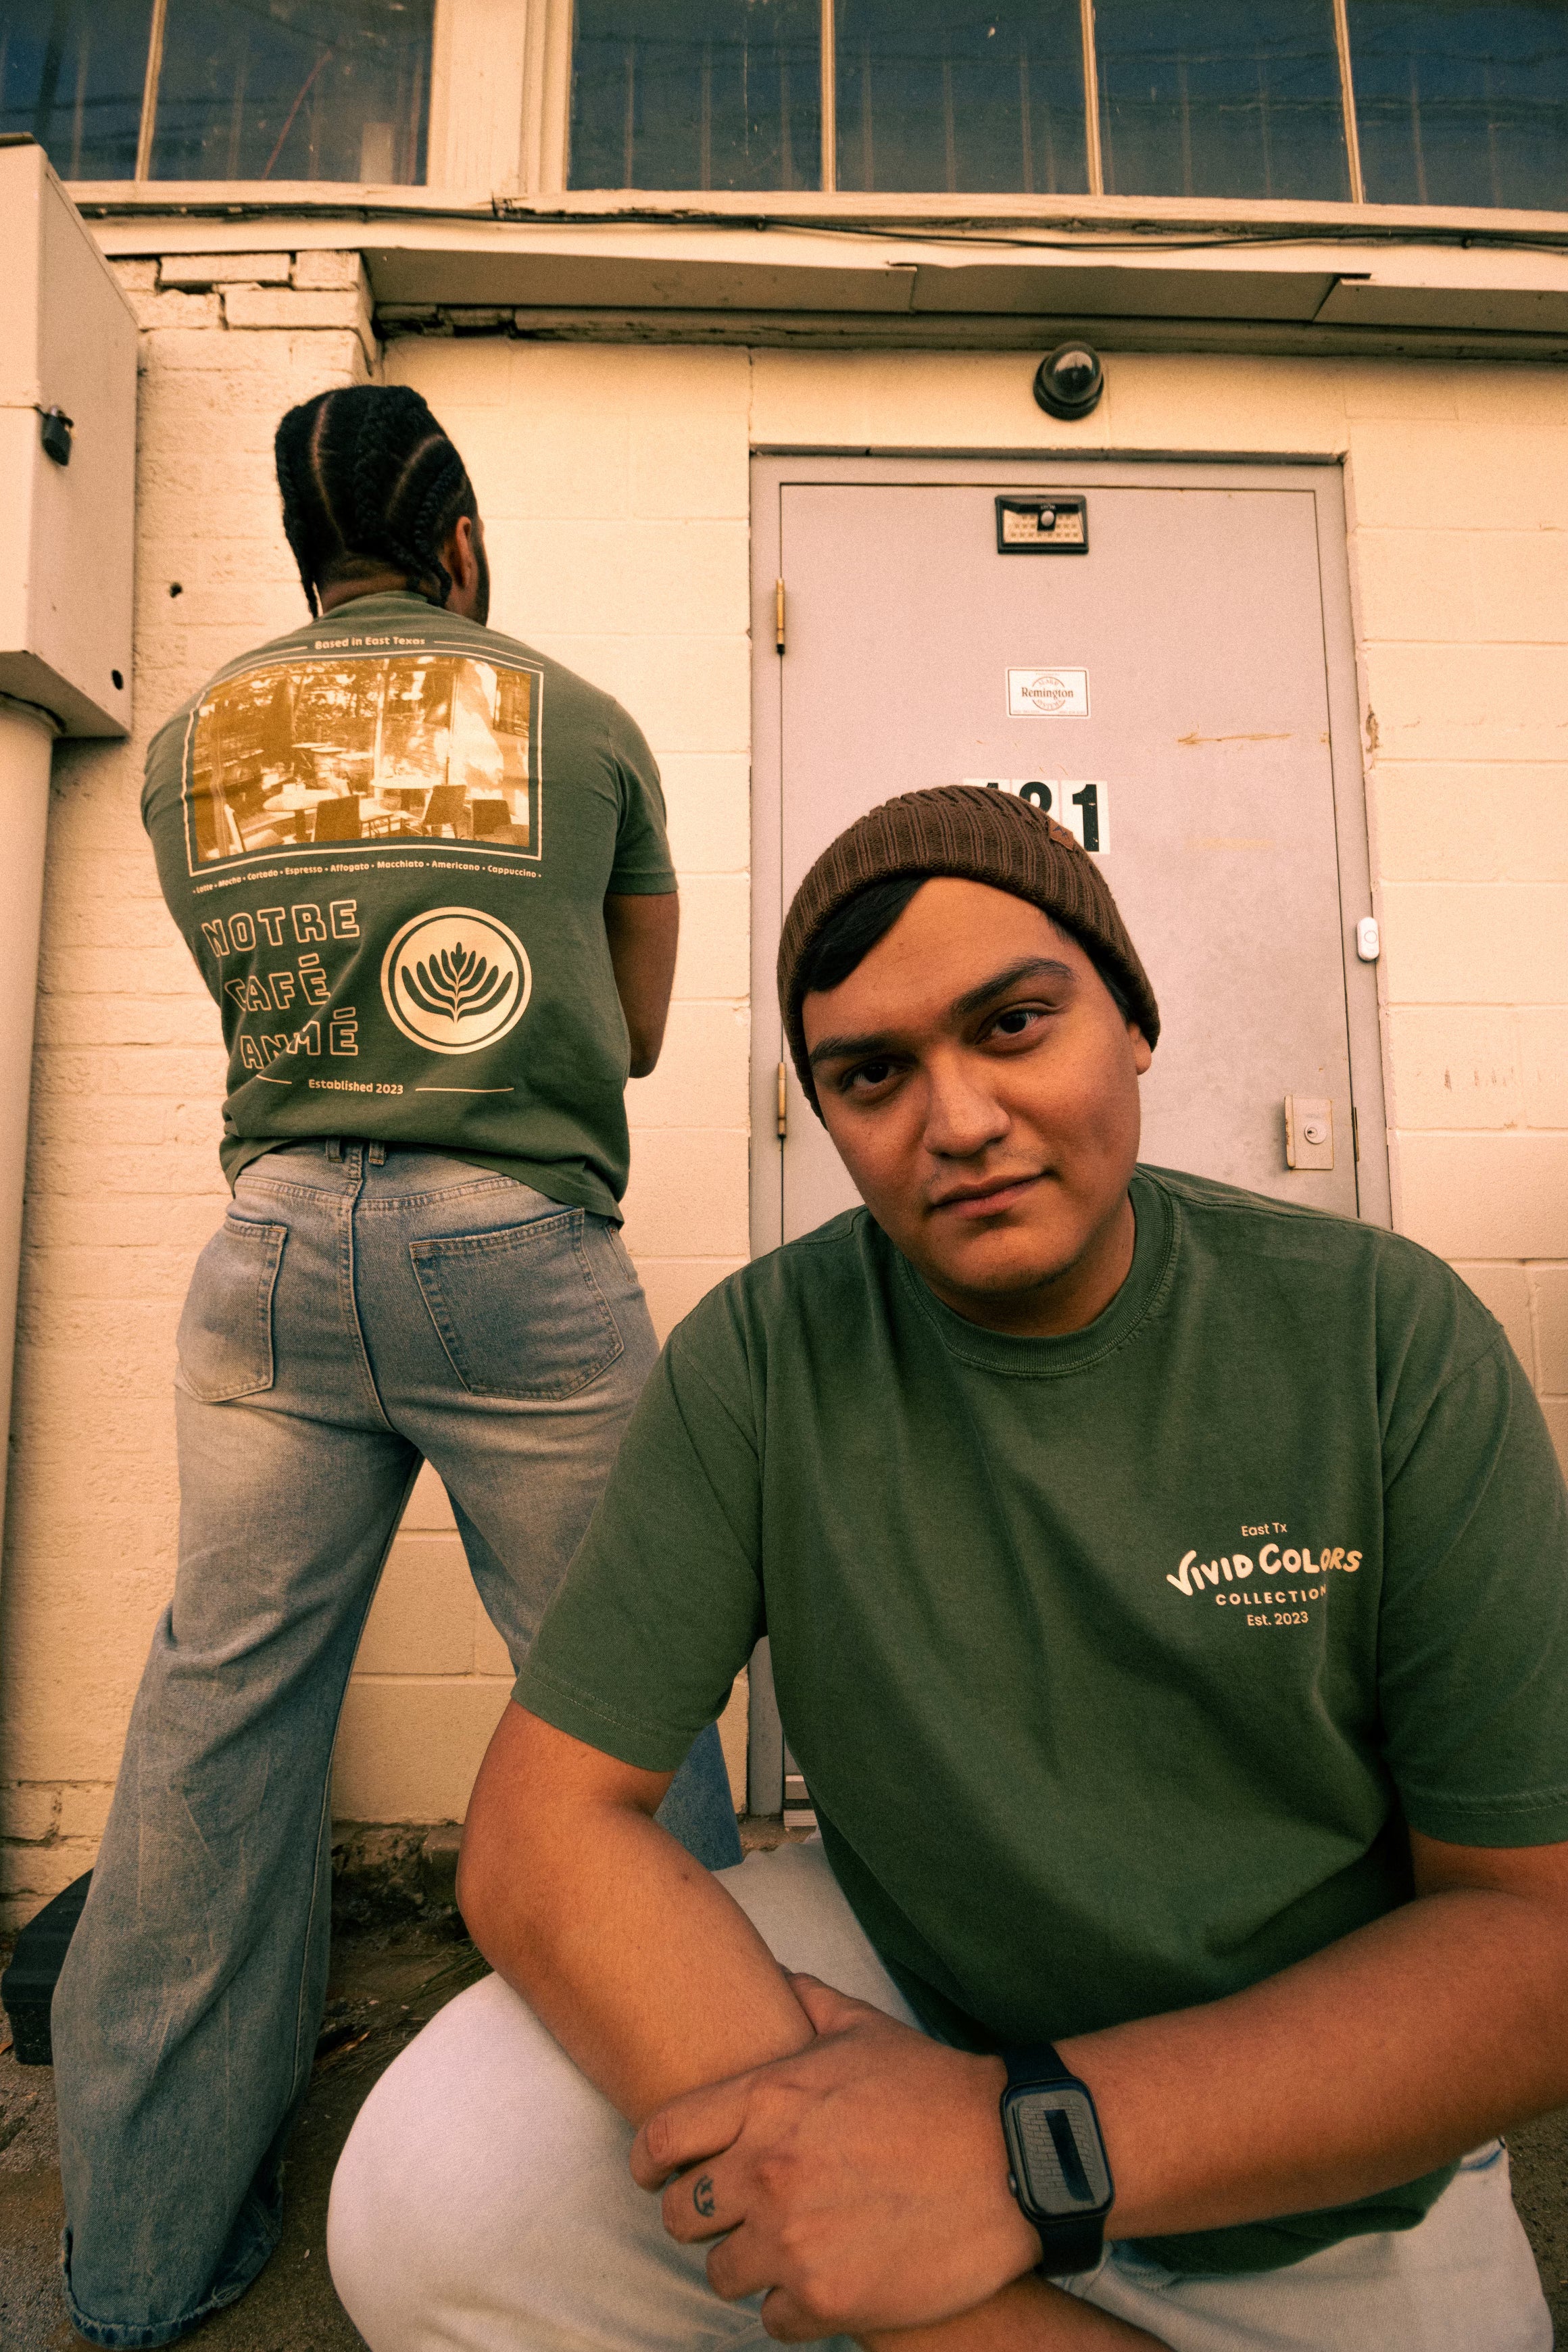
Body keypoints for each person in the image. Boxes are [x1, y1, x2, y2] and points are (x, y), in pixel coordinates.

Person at [328, 781, 1568, 2352]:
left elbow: (1533, 1944)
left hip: (1308, 2163)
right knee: (440, 2189)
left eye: (1012, 1025)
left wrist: (1019, 2150)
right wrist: (939, 2286)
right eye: (870, 1074)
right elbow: (538, 1833)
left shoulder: (1383, 1337)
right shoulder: (765, 1358)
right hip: (923, 1998)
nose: (958, 1119)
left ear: (1131, 1021)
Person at [51, 383, 740, 2351]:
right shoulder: (577, 718)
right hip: (512, 1250)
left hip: (266, 1252)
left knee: (214, 1730)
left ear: (305, 554)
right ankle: (714, 2208)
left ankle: (135, 2267)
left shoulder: (195, 747)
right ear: (456, 542)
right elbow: (642, 1023)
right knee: (624, 1712)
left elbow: (256, 1002)